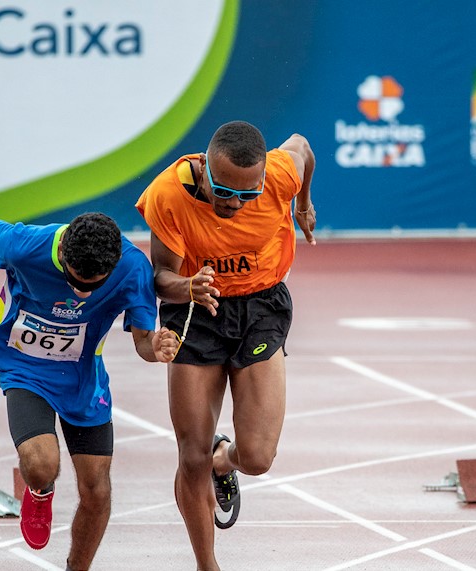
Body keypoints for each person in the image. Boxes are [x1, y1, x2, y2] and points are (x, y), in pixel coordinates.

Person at [0, 212, 178, 570]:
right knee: (40, 466)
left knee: (96, 490)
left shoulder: (133, 269)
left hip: (83, 376)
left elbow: (143, 341)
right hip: (24, 366)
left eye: (92, 286)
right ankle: (40, 491)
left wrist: (154, 349)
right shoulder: (26, 245)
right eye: (74, 280)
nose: (81, 292)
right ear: (63, 251)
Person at [136, 120, 316, 570]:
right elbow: (160, 277)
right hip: (197, 309)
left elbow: (303, 145)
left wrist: (304, 204)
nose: (235, 204)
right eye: (224, 193)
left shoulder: (279, 173)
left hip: (260, 307)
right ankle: (206, 564)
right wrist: (188, 287)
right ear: (204, 169)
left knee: (257, 457)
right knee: (190, 454)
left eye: (247, 195)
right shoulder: (168, 195)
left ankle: (225, 459)